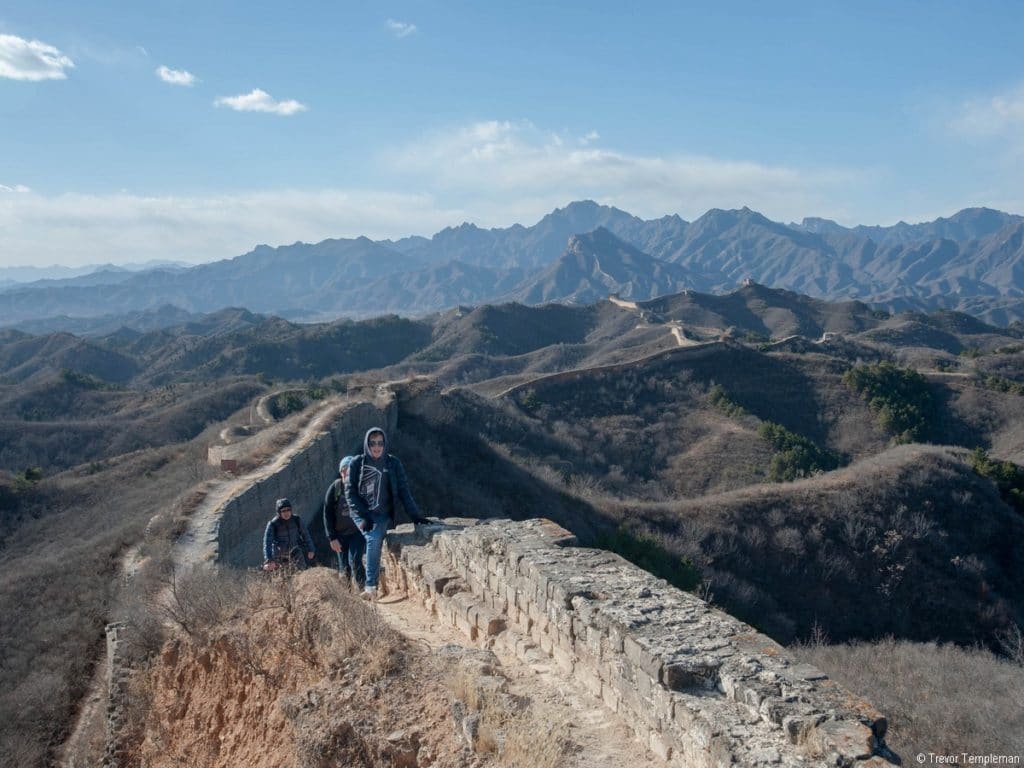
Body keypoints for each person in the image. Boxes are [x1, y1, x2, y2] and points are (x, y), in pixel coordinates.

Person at [345, 427, 432, 599]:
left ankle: (370, 587)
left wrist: (416, 516)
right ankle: (370, 587)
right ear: (366, 444)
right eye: (372, 443)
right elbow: (350, 493)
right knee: (373, 537)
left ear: (385, 444)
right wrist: (363, 516)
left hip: (382, 514)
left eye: (380, 443)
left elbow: (403, 491)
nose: (376, 447)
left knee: (374, 537)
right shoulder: (356, 463)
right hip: (361, 513)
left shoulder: (393, 464)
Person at [323, 456, 366, 588]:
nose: (347, 473)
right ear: (340, 472)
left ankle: (364, 591)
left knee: (355, 560)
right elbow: (327, 514)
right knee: (344, 568)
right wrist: (332, 538)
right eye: (344, 470)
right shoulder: (335, 489)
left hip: (357, 532)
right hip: (340, 535)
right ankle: (347, 597)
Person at [262, 497, 315, 571]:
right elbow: (267, 543)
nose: (286, 512)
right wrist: (269, 560)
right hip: (279, 555)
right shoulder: (273, 524)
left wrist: (311, 549)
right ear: (279, 512)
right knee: (282, 578)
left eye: (288, 509)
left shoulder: (296, 520)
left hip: (295, 552)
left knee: (302, 572)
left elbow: (306, 535)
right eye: (283, 511)